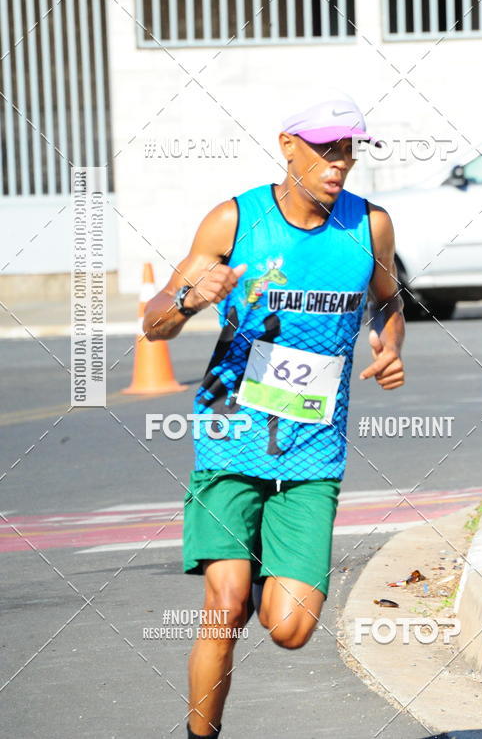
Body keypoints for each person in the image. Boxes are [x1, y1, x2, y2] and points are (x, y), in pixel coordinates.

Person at [144, 92, 406, 738]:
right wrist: (188, 296)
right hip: (230, 434)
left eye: (347, 151)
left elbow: (389, 301)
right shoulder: (234, 221)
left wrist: (391, 346)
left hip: (313, 450)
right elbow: (155, 327)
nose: (338, 163)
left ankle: (268, 563)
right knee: (224, 608)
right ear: (287, 146)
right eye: (325, 149)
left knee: (289, 629)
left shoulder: (369, 225)